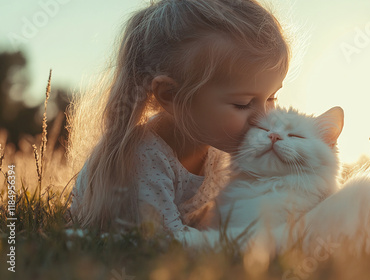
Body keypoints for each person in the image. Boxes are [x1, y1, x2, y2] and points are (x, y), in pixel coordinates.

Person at [66, 0, 291, 242]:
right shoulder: (144, 159)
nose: (265, 118)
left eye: (271, 97)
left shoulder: (219, 143)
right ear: (170, 95)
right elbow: (166, 242)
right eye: (243, 104)